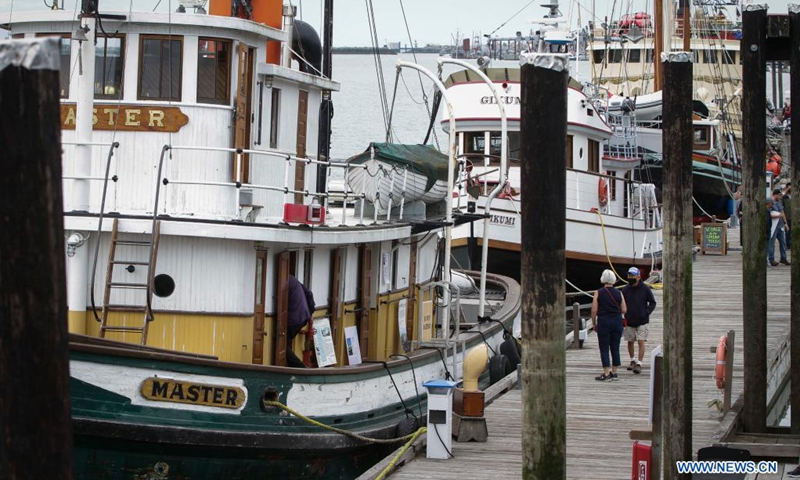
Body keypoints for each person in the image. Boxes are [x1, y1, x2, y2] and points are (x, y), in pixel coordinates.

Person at [591, 269, 627, 381]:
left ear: (603, 279)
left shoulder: (598, 292)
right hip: (617, 322)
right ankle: (614, 372)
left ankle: (606, 373)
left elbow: (594, 311)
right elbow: (624, 310)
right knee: (615, 346)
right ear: (613, 280)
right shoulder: (619, 293)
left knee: (604, 347)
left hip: (604, 322)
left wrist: (594, 322)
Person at [621, 267, 657, 374]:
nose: (631, 278)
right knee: (630, 341)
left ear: (638, 276)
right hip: (629, 320)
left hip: (642, 320)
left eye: (633, 276)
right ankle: (632, 360)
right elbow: (621, 303)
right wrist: (623, 314)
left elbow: (652, 302)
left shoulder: (645, 288)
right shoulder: (625, 289)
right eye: (629, 276)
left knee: (641, 341)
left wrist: (646, 312)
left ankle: (639, 363)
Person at [286, 275, 315, 368]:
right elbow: (309, 293)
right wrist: (309, 313)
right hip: (302, 317)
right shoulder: (293, 280)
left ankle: (300, 368)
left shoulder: (284, 280)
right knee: (285, 343)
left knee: (281, 344)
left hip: (294, 318)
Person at [768, 189, 790, 267]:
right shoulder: (770, 202)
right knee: (771, 243)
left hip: (780, 225)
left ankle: (783, 258)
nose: (780, 197)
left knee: (783, 242)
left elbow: (782, 212)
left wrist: (785, 223)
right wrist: (778, 216)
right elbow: (768, 214)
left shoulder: (779, 202)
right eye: (779, 195)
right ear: (775, 195)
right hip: (773, 225)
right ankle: (771, 259)